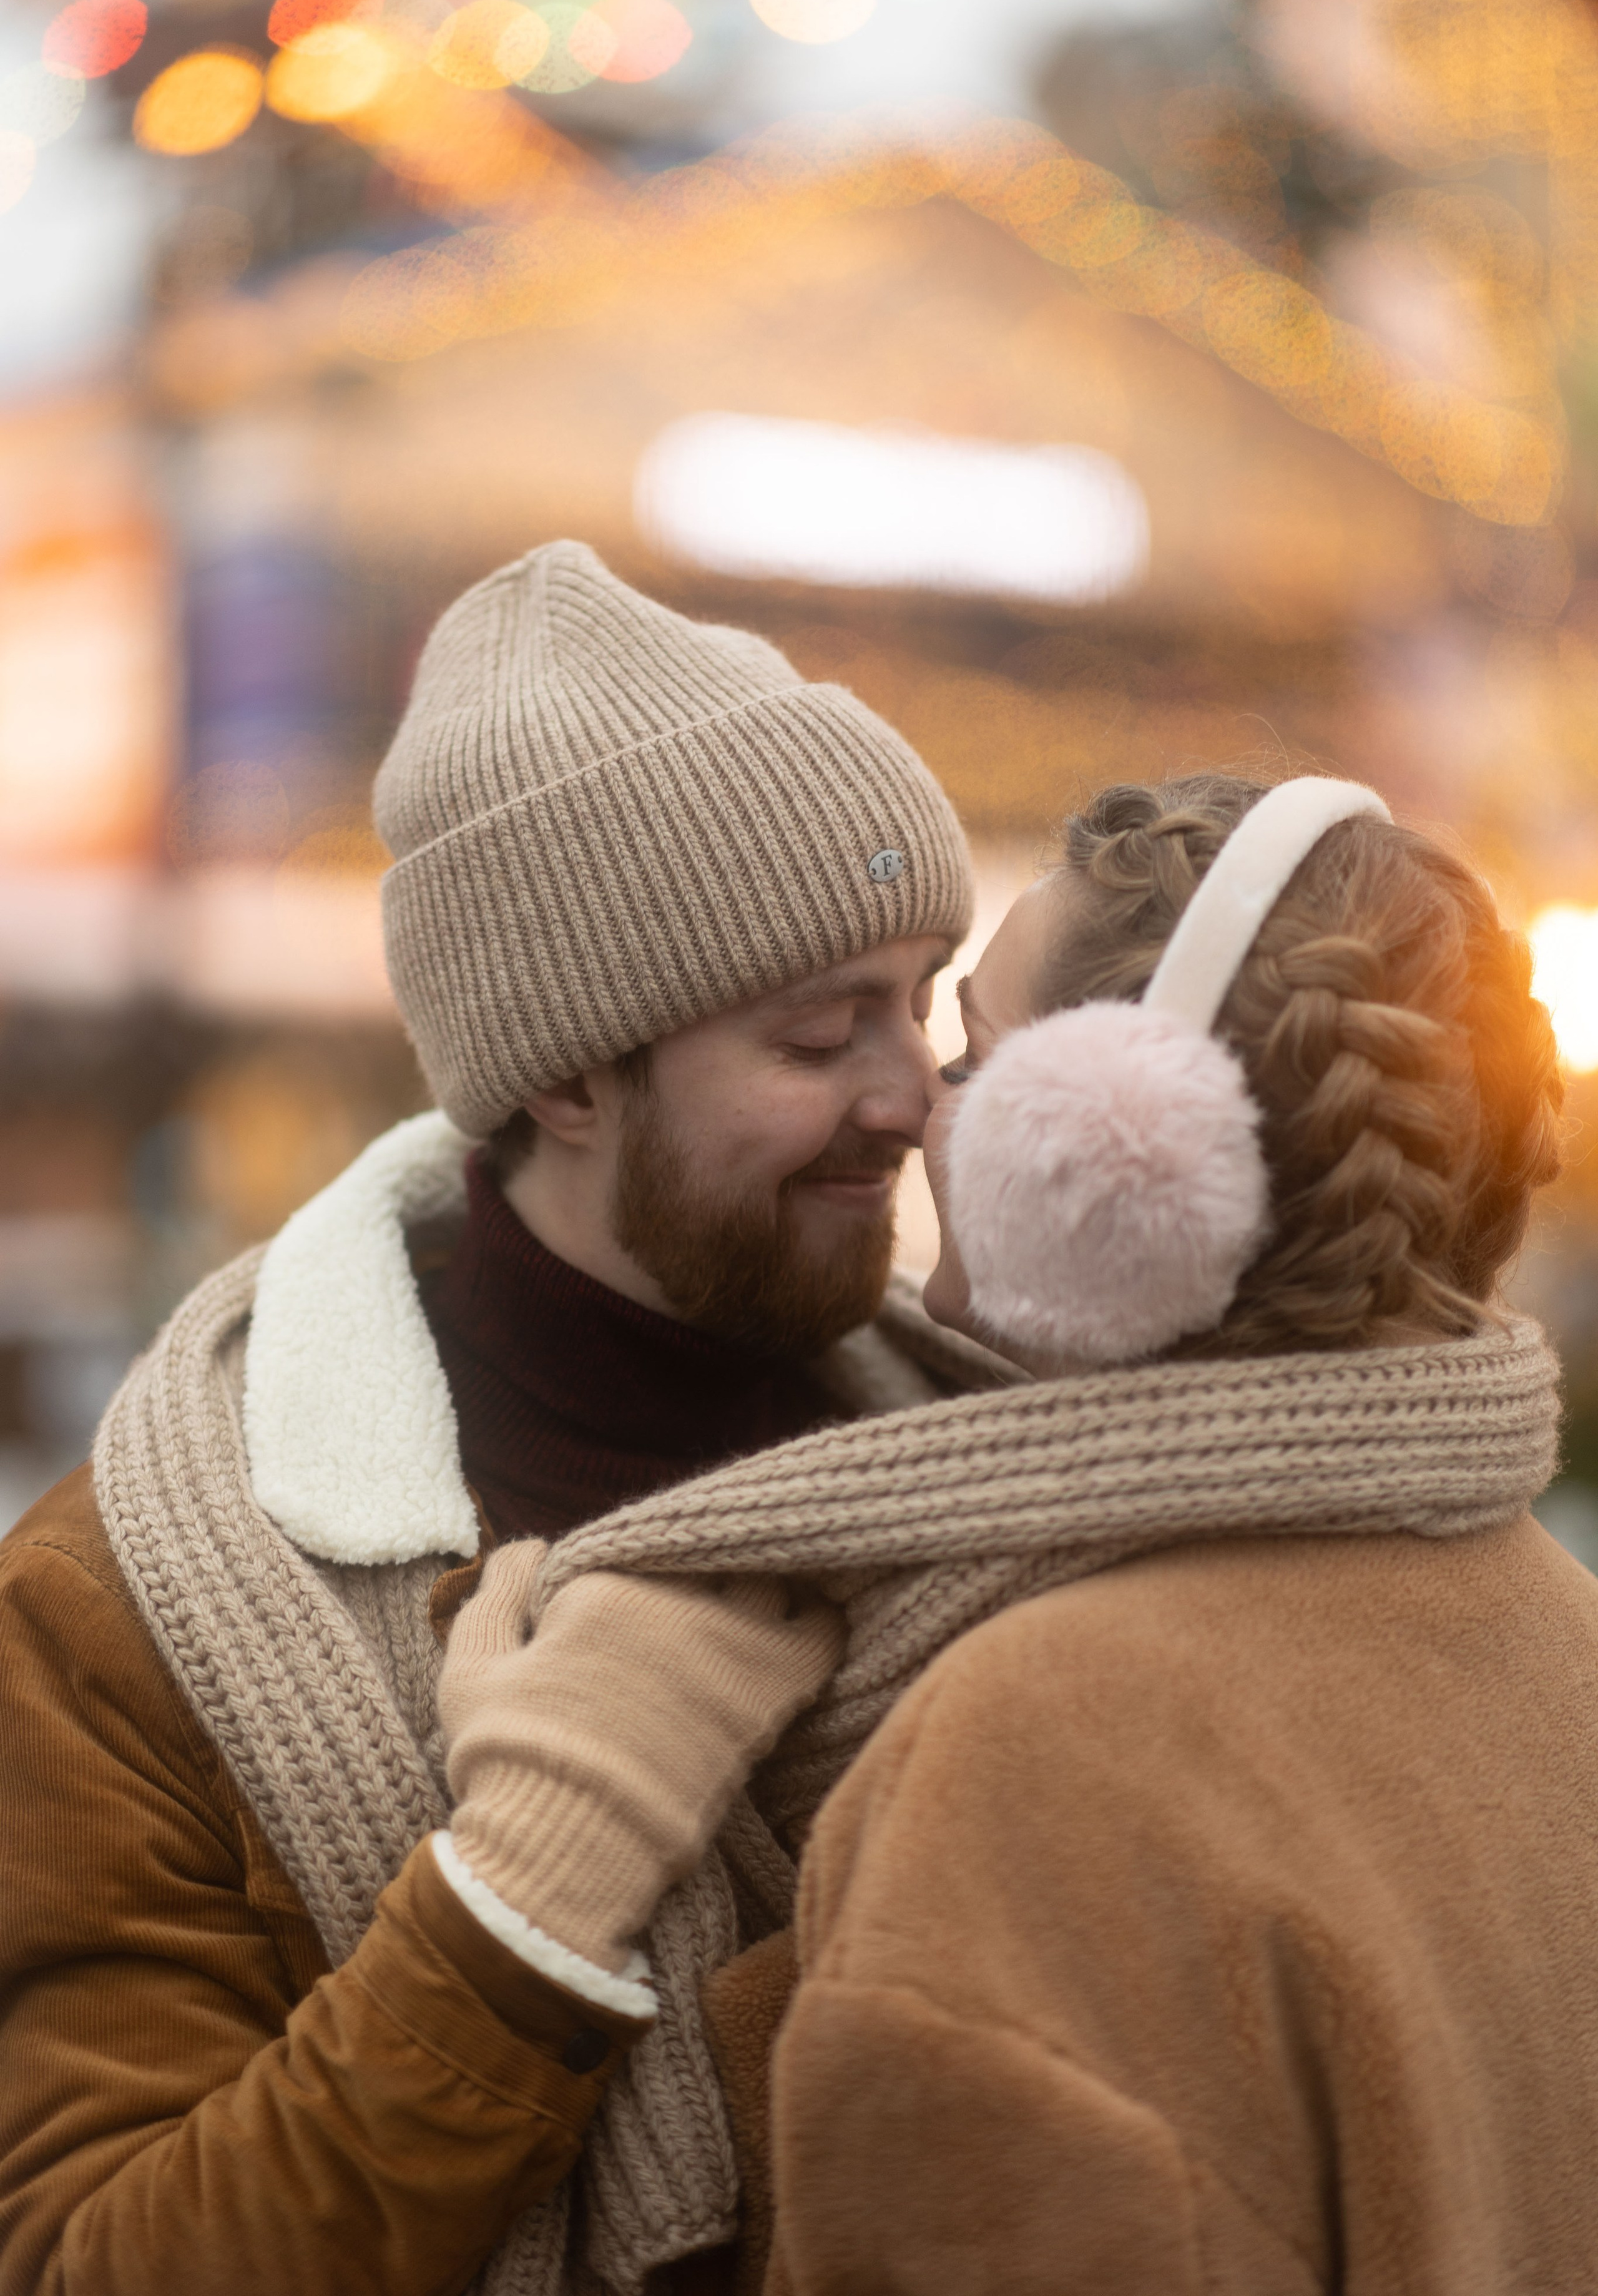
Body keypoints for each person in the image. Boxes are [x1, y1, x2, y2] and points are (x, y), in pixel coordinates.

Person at [428, 771, 1586, 2295]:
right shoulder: (1549, 1622)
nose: (912, 1111)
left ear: (1113, 1165)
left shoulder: (1038, 1749)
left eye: (971, 1053)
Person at [0, 541, 996, 2295]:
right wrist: (524, 1897)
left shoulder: (1000, 1485)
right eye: (821, 1032)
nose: (912, 1097)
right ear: (567, 1070)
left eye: (917, 1004)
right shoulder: (119, 1609)